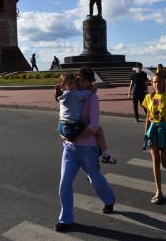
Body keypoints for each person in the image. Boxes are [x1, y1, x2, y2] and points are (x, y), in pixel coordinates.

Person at [55, 68, 116, 232]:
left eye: (81, 79)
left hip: (87, 147)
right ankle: (66, 219)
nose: (77, 82)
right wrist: (65, 136)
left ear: (89, 82)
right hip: (69, 148)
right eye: (76, 79)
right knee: (64, 183)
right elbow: (64, 118)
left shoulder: (92, 98)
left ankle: (109, 199)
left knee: (95, 179)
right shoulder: (73, 94)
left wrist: (75, 137)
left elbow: (94, 126)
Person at [56, 73, 116, 164]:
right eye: (72, 83)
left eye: (75, 83)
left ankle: (100, 153)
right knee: (98, 130)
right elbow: (90, 92)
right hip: (71, 126)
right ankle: (104, 155)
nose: (75, 85)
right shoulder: (75, 94)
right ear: (64, 85)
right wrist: (92, 88)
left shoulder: (63, 95)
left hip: (61, 126)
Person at [142, 72, 166, 205]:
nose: (157, 84)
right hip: (153, 130)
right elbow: (148, 117)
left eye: (159, 81)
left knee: (164, 162)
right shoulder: (148, 97)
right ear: (152, 83)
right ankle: (159, 191)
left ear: (164, 83)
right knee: (155, 159)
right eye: (154, 82)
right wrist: (146, 134)